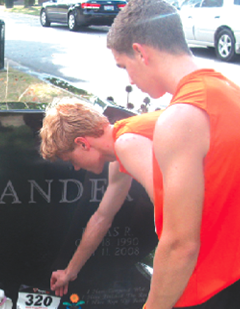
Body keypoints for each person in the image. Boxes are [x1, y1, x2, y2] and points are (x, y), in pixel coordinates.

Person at [105, 0, 240, 308]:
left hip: (204, 293)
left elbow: (180, 244)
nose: (129, 80)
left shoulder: (181, 118)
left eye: (124, 66)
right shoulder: (233, 93)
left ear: (140, 51)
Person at [39, 101, 159, 297]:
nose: (76, 168)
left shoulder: (128, 144)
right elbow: (102, 217)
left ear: (82, 143)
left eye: (71, 160)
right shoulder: (119, 154)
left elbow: (177, 231)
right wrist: (70, 271)